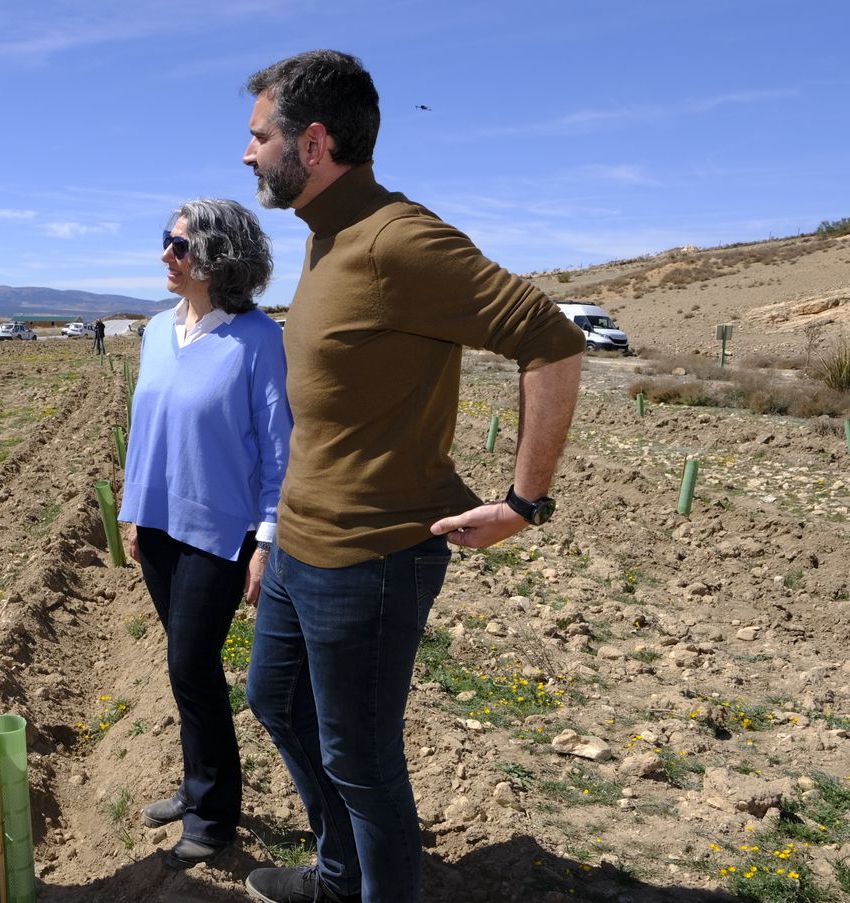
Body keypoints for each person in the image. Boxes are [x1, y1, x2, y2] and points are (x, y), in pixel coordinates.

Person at [236, 51, 585, 903]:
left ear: (313, 142)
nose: (248, 154)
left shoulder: (398, 238)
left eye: (259, 136)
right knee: (276, 702)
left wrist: (523, 502)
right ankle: (339, 874)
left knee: (361, 757)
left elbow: (550, 338)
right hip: (303, 544)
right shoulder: (325, 237)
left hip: (373, 556)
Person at [118, 199, 289, 871]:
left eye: (180, 245)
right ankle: (198, 787)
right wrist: (134, 512)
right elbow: (147, 430)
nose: (166, 253)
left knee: (192, 666)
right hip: (160, 526)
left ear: (218, 259)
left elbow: (279, 448)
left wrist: (267, 539)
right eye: (166, 240)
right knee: (184, 666)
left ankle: (213, 817)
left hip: (221, 533)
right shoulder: (156, 331)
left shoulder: (258, 340)